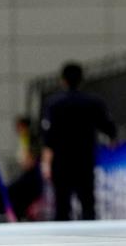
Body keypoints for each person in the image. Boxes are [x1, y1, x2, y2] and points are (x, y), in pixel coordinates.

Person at [40, 63, 117, 220]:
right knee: (87, 203)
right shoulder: (93, 102)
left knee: (62, 206)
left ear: (63, 80)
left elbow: (48, 138)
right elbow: (109, 128)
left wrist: (46, 164)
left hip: (61, 162)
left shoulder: (53, 104)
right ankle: (90, 233)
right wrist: (112, 138)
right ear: (81, 80)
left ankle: (63, 233)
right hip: (84, 160)